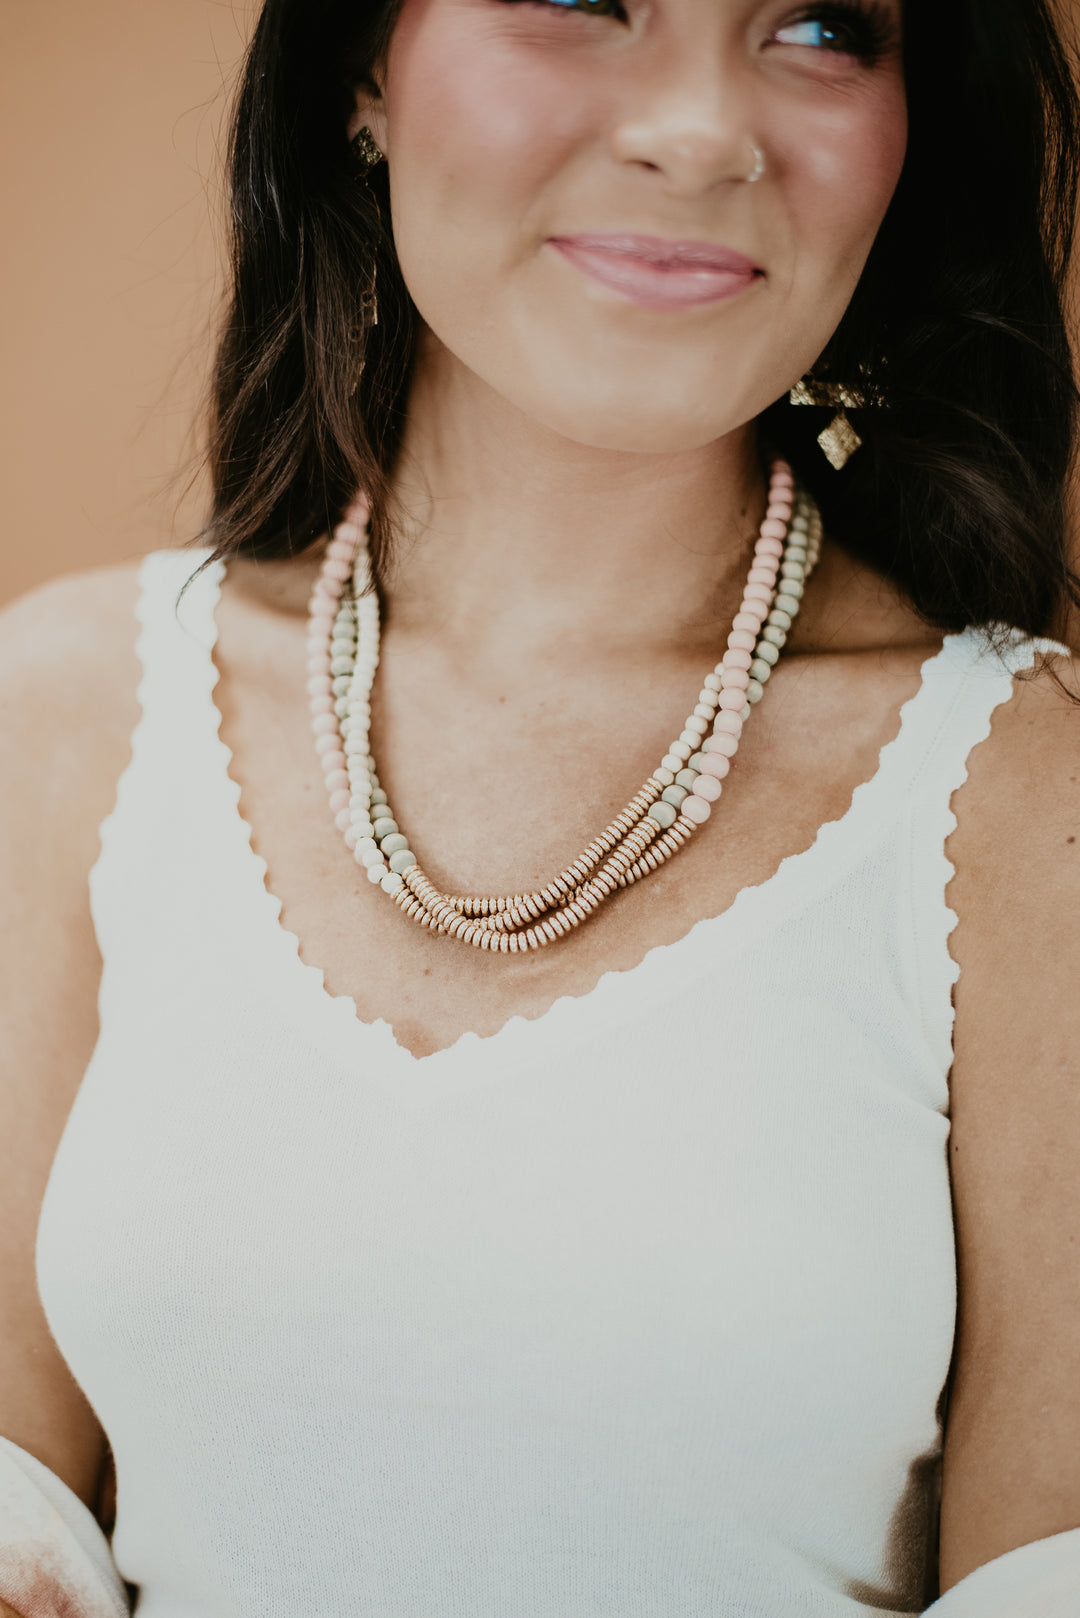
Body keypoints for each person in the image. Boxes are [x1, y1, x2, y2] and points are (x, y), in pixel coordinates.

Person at [2, 0, 1080, 1612]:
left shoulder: (1027, 797)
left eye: (820, 24)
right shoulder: (68, 712)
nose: (702, 131)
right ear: (363, 69)